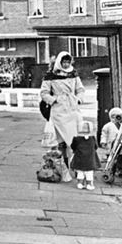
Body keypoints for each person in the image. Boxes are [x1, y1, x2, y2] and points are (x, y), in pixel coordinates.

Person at [40, 51, 85, 182]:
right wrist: (54, 100)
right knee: (59, 141)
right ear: (59, 62)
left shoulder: (74, 74)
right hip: (58, 111)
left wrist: (78, 99)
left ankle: (77, 167)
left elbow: (80, 89)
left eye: (68, 62)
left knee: (75, 139)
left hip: (72, 109)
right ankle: (62, 168)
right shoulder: (50, 76)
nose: (66, 64)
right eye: (64, 62)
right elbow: (44, 92)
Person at [71, 120, 99, 190]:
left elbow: (73, 146)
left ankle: (80, 183)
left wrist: (75, 150)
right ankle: (89, 184)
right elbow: (96, 147)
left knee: (80, 171)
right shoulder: (92, 138)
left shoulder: (76, 138)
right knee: (89, 172)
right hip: (90, 159)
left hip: (79, 158)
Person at [100, 107, 122, 177]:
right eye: (113, 116)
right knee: (111, 159)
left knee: (121, 159)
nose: (115, 118)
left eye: (117, 116)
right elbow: (104, 134)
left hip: (121, 146)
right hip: (111, 145)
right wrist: (103, 142)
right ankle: (111, 170)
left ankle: (121, 170)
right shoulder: (108, 126)